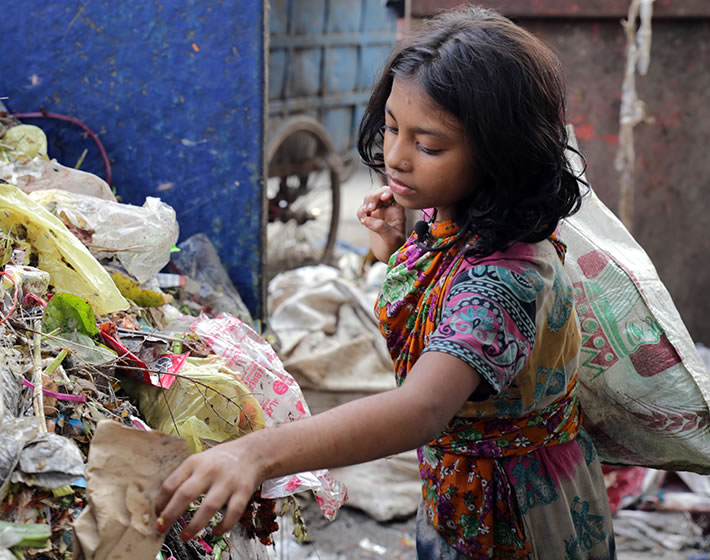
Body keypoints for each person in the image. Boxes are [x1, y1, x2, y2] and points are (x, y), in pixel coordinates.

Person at [156, 6, 615, 558]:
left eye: (428, 146)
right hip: (462, 481)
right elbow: (438, 297)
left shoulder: (504, 280)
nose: (395, 157)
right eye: (393, 128)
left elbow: (420, 408)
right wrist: (400, 247)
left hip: (515, 510)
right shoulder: (453, 218)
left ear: (501, 154)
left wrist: (256, 453)